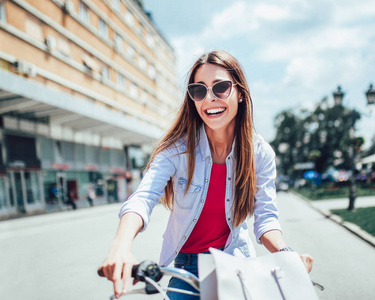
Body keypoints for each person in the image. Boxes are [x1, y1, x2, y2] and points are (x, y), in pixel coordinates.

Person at [101, 50, 313, 299]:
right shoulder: (176, 150)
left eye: (220, 88)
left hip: (234, 264)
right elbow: (143, 197)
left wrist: (286, 255)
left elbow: (265, 217)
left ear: (241, 93)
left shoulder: (259, 153)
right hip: (184, 268)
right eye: (199, 91)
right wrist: (121, 246)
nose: (209, 98)